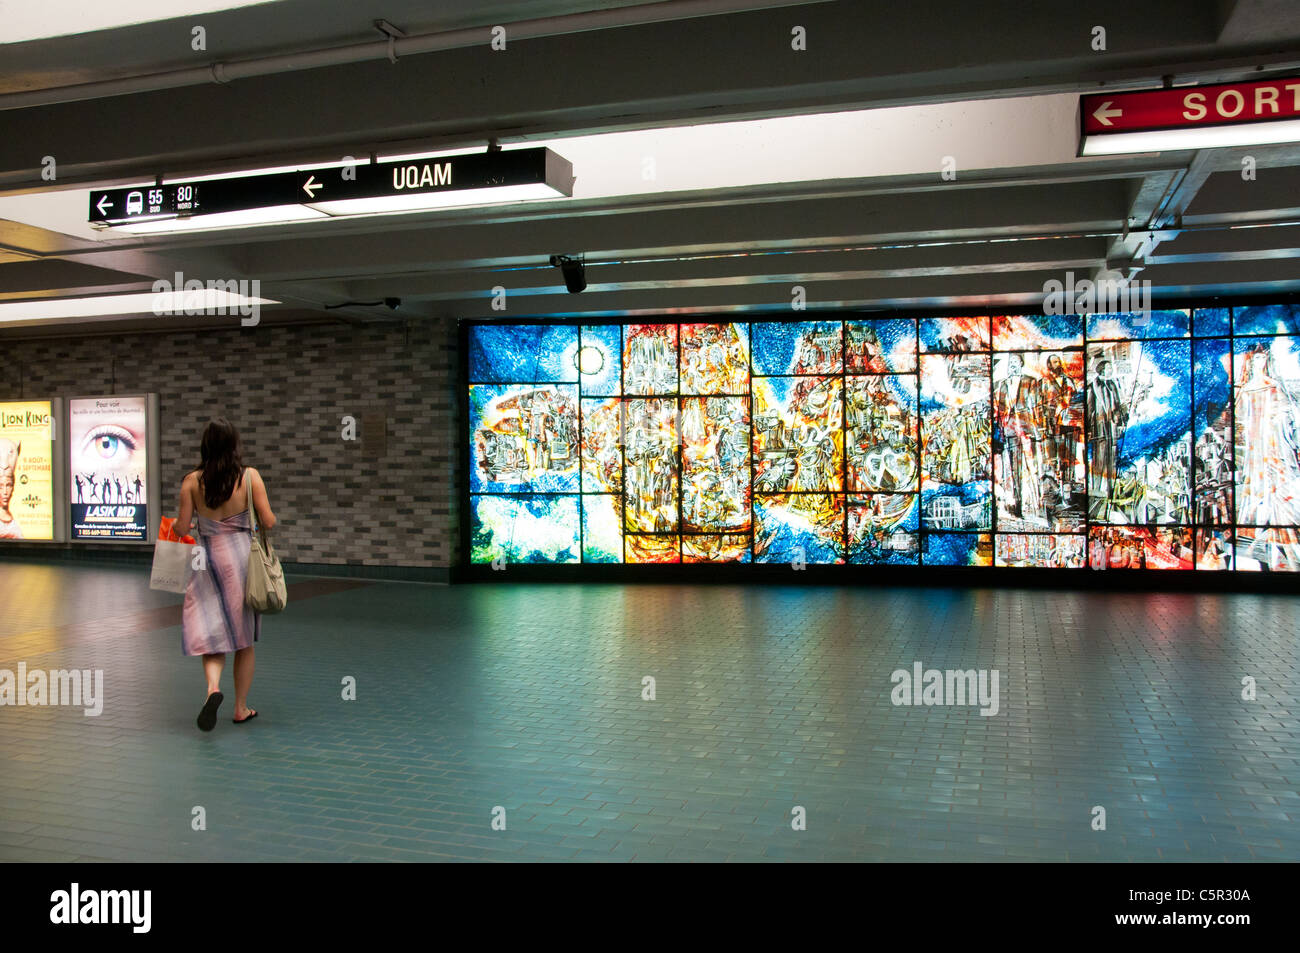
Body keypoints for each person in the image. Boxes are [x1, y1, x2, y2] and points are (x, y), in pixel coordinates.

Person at [173, 418, 277, 731]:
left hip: (205, 560)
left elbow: (181, 526)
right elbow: (269, 521)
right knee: (244, 640)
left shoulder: (191, 481)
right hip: (241, 558)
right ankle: (240, 708)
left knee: (211, 634)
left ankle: (212, 690)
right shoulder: (250, 477)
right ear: (234, 446)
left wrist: (185, 526)